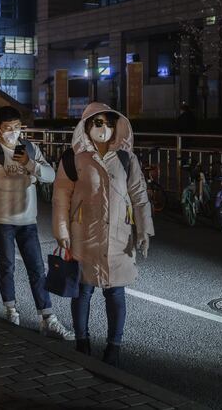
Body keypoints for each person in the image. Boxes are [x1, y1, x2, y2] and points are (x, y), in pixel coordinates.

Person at [52, 102, 154, 366]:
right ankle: (82, 341)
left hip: (119, 237)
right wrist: (61, 231)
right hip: (83, 235)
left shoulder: (126, 158)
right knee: (83, 290)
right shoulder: (73, 158)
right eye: (98, 123)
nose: (104, 129)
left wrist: (144, 229)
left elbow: (139, 196)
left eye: (108, 124)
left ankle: (114, 346)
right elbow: (61, 197)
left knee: (116, 293)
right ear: (86, 126)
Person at [0, 106, 73, 340]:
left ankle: (48, 317)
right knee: (7, 266)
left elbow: (50, 176)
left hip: (27, 220)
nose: (13, 132)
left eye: (16, 127)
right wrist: (31, 177)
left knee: (37, 269)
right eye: (7, 128)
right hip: (2, 220)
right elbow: (4, 183)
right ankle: (11, 312)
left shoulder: (30, 148)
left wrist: (31, 166)